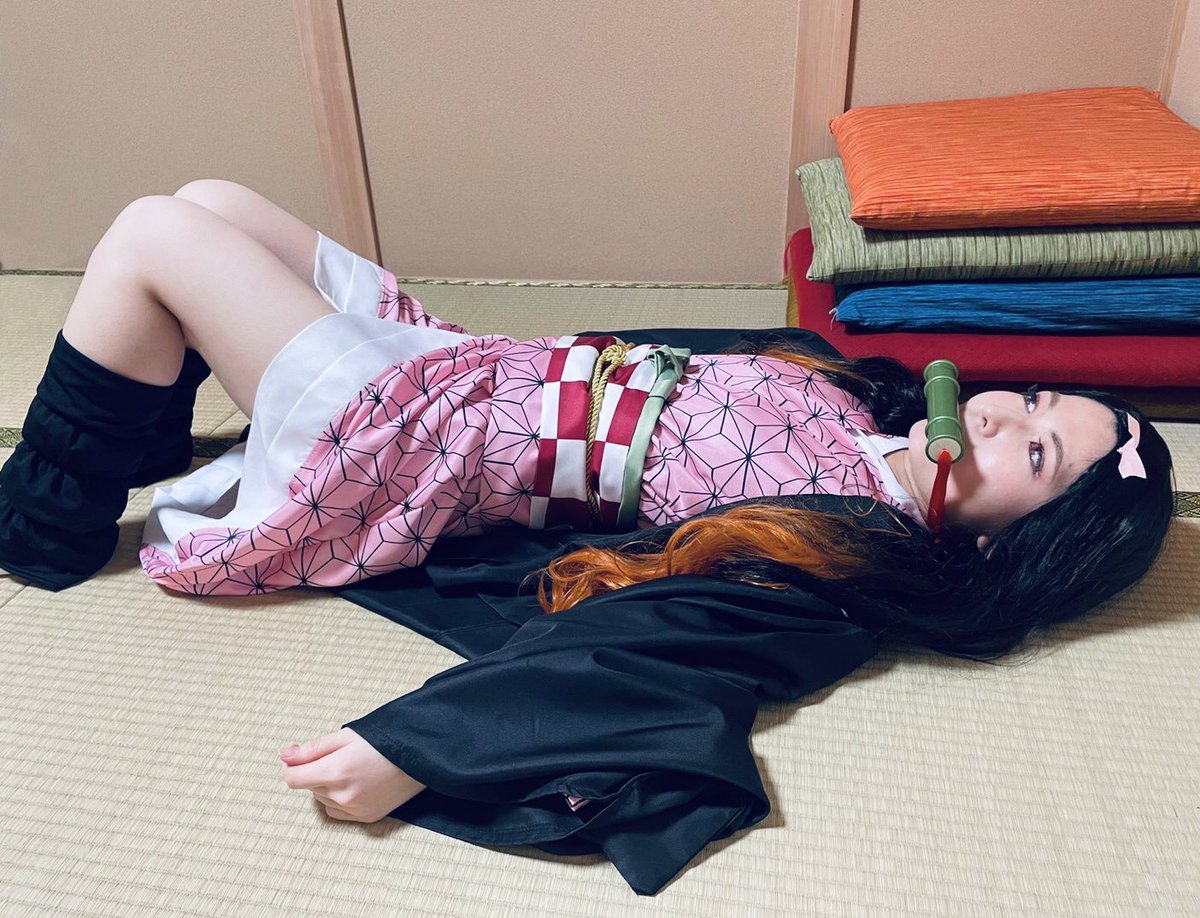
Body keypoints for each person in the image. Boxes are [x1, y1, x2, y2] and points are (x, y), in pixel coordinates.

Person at [0, 182, 1176, 894]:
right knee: (210, 200)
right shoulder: (859, 398)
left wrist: (419, 747)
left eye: (1036, 455)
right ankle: (135, 426)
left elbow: (658, 648)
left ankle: (40, 531)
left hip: (410, 444)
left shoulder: (838, 555)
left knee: (151, 233)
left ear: (1012, 546)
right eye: (1031, 402)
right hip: (463, 367)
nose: (1001, 417)